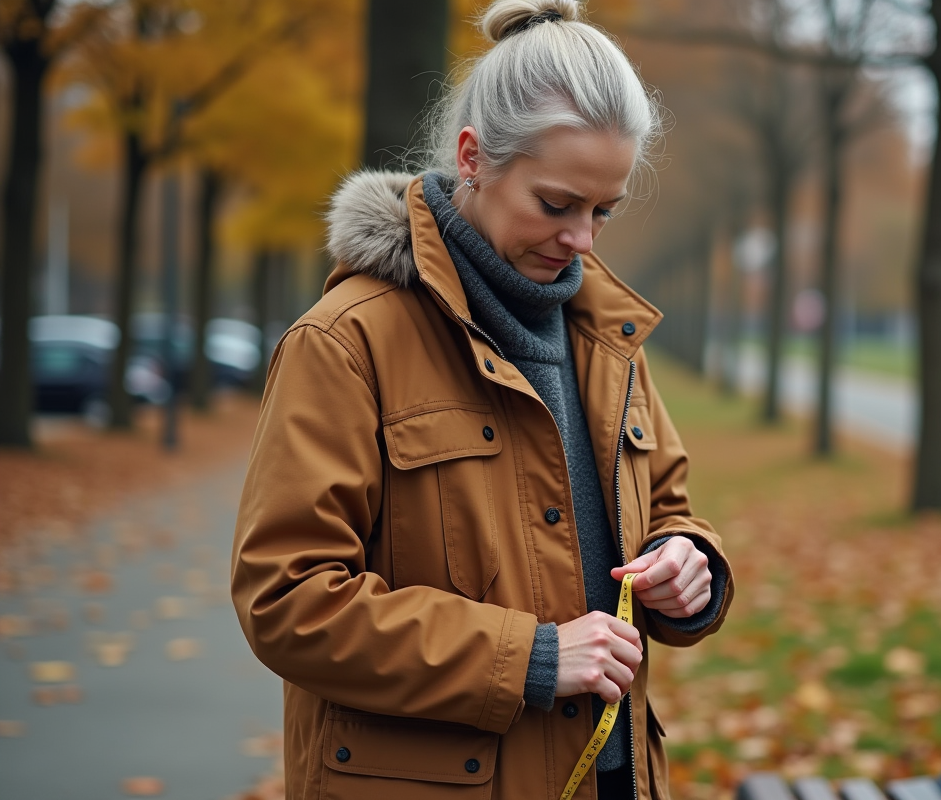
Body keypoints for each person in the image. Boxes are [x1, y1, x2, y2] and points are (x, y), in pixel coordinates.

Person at [230, 1, 734, 798]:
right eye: (556, 204)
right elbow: (287, 597)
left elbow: (670, 507)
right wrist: (528, 659)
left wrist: (689, 565)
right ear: (473, 157)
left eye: (604, 210)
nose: (583, 241)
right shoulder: (345, 341)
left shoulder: (608, 337)